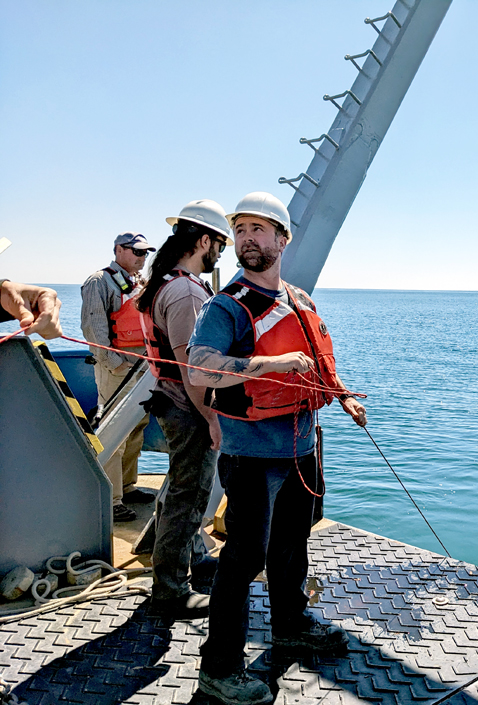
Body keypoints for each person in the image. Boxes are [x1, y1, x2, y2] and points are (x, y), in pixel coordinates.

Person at [187, 192, 366, 705]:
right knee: (242, 560)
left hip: (302, 446)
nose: (247, 239)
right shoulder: (226, 307)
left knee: (292, 543)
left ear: (282, 240)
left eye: (258, 230)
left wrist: (345, 397)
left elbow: (319, 365)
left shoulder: (301, 301)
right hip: (252, 455)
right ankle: (219, 669)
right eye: (240, 230)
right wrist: (268, 365)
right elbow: (199, 368)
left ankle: (290, 624)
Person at [136, 200, 233, 619]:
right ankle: (170, 591)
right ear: (205, 241)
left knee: (180, 486)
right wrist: (212, 419)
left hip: (170, 399)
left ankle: (191, 558)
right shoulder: (187, 292)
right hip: (188, 408)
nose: (220, 256)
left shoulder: (164, 284)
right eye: (220, 247)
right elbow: (194, 368)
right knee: (187, 496)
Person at [81, 232, 157, 522]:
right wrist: (114, 364)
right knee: (114, 430)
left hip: (141, 368)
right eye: (137, 252)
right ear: (118, 250)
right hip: (118, 369)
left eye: (145, 253)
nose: (141, 258)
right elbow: (93, 327)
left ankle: (127, 486)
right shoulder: (98, 282)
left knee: (136, 427)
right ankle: (112, 500)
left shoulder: (138, 283)